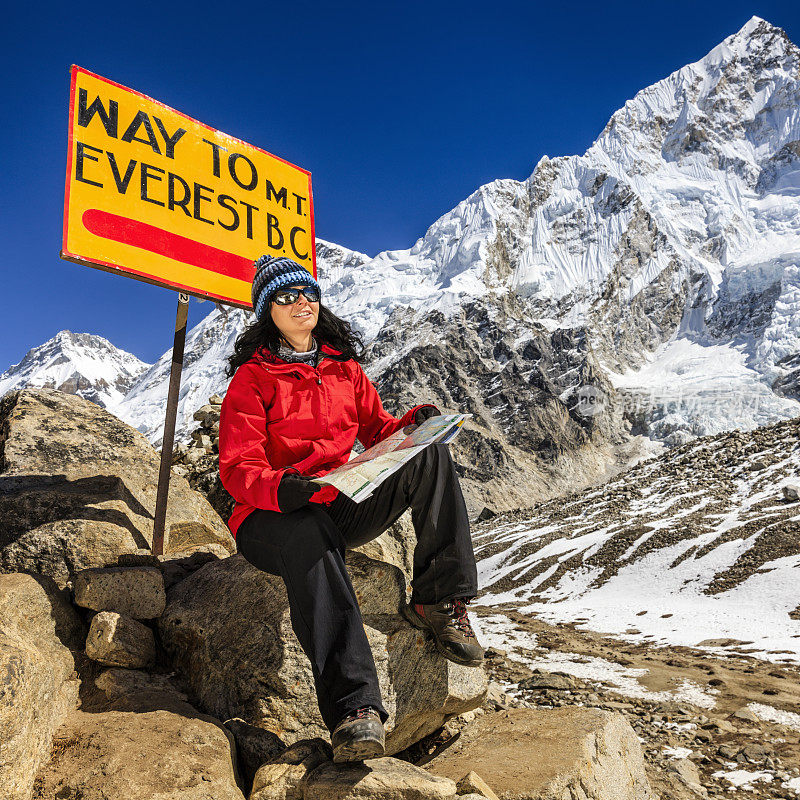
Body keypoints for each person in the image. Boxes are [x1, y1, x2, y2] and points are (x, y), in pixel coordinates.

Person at [218, 254, 483, 764]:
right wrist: (281, 487)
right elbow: (236, 468)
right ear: (265, 311)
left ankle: (440, 599)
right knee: (308, 532)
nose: (301, 303)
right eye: (286, 296)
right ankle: (354, 708)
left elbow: (378, 431)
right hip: (271, 517)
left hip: (336, 500)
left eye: (307, 293)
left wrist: (413, 425)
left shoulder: (344, 369)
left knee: (429, 453)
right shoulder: (252, 380)